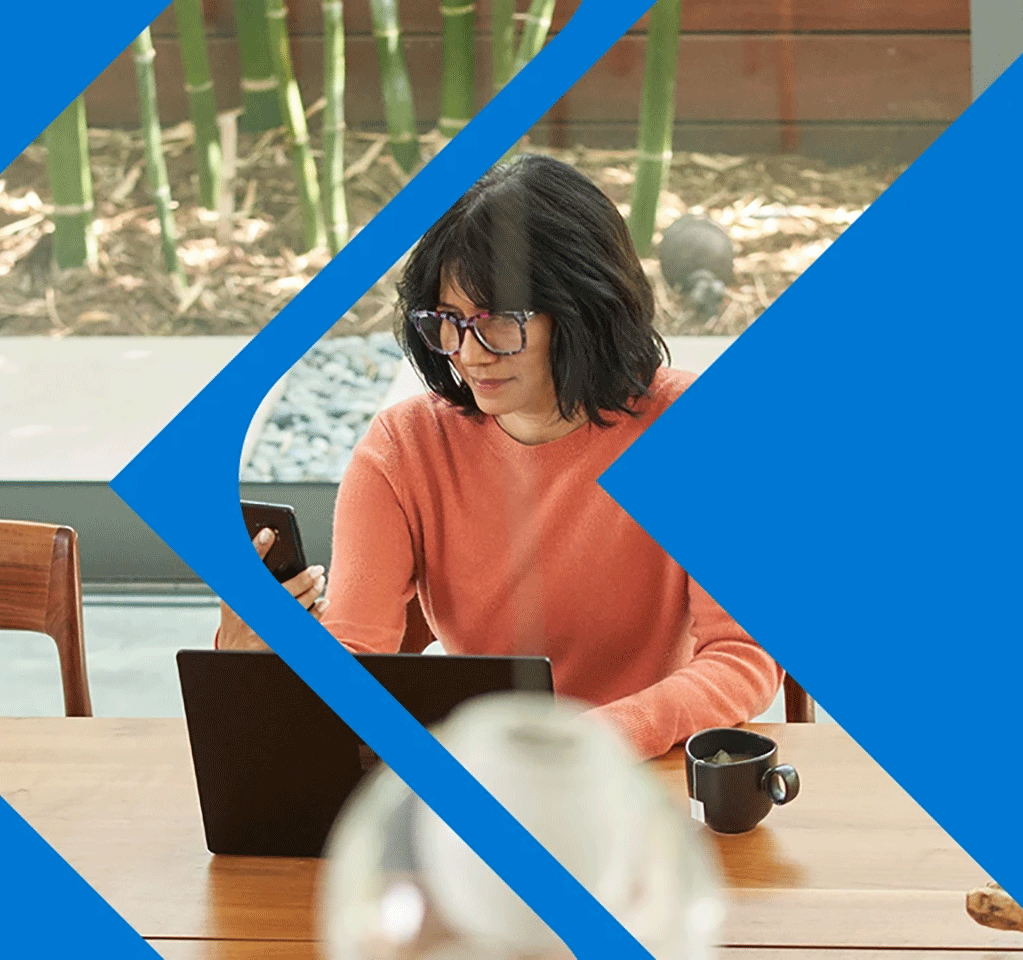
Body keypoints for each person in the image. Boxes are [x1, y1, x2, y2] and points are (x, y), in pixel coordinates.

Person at [217, 154, 782, 760]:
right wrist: (246, 659)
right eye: (450, 322)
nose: (469, 353)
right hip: (489, 777)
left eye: (498, 323)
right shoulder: (402, 451)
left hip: (654, 776)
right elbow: (356, 661)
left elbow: (743, 657)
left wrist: (589, 741)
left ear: (584, 310)